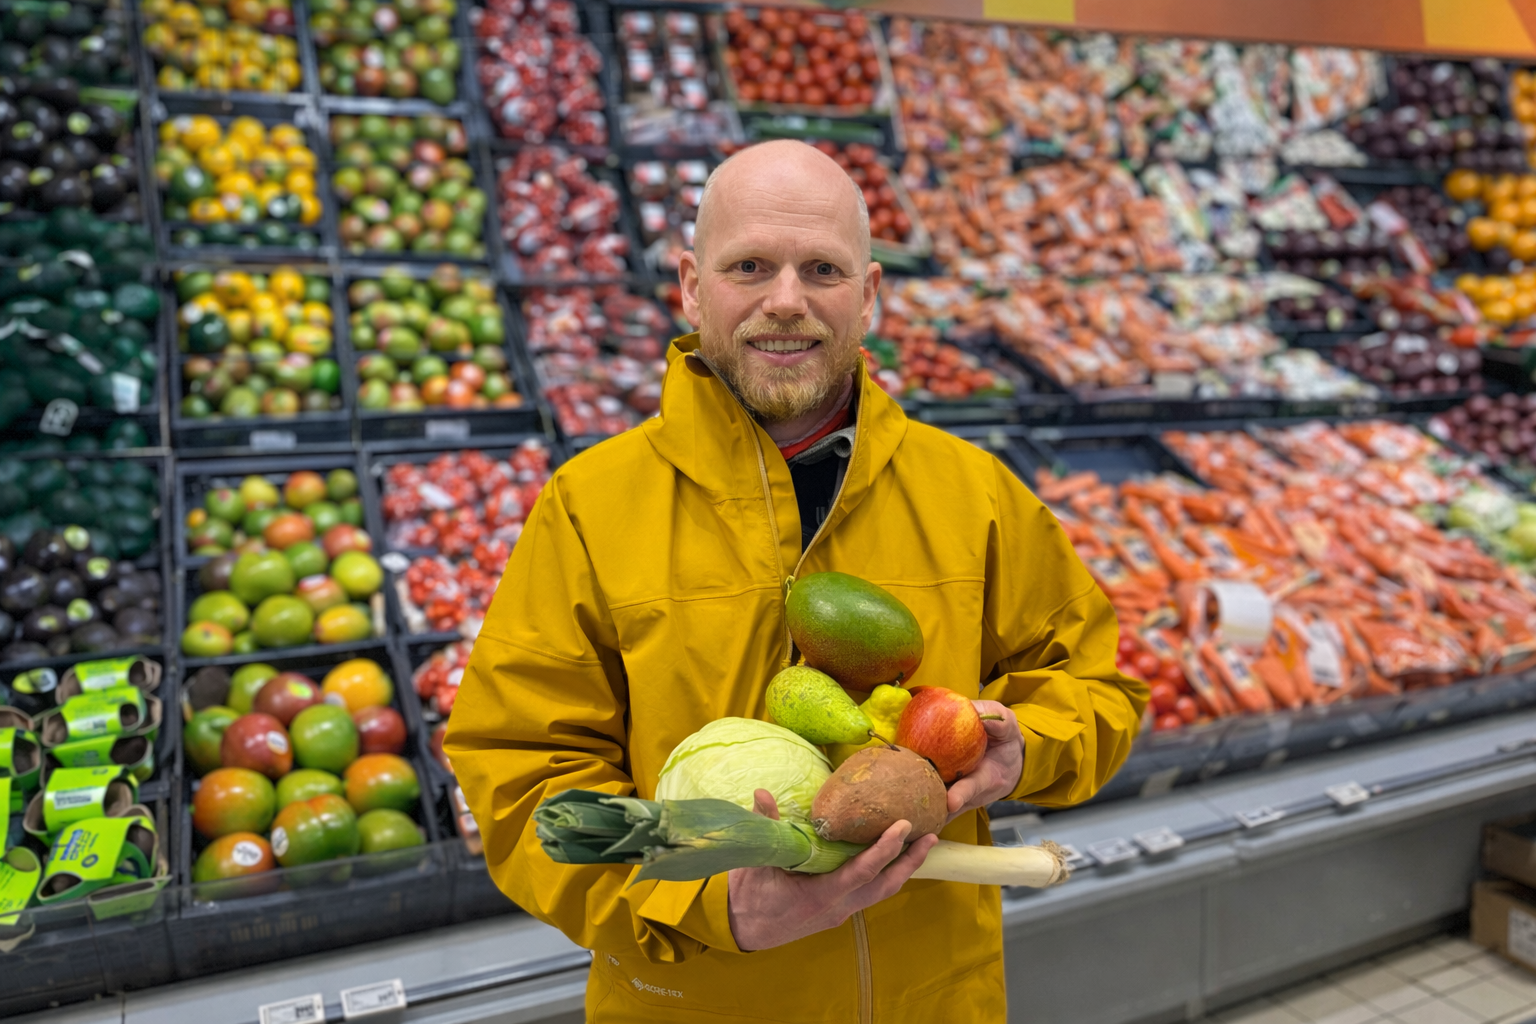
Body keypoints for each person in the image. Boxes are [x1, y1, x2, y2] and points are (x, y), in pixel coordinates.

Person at [445, 139, 1148, 1023]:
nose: (787, 301)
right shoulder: (589, 507)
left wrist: (1027, 747)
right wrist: (704, 904)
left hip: (935, 1001)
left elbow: (1099, 690)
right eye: (750, 266)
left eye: (822, 268)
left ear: (869, 295)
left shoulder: (974, 495)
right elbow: (521, 784)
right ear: (694, 288)